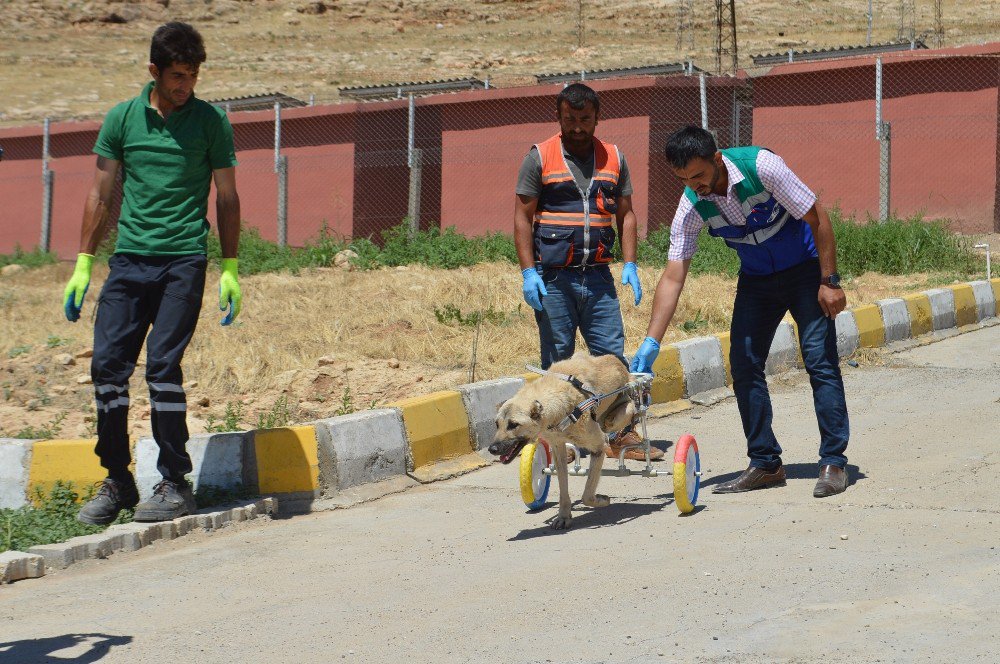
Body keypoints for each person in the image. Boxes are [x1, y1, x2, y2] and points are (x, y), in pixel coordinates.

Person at [64, 22, 242, 524]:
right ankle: (118, 479)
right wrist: (83, 262)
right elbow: (100, 193)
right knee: (107, 369)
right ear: (154, 72)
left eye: (193, 75)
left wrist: (229, 266)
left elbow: (226, 197)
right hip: (129, 262)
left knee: (162, 369)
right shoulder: (122, 119)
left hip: (184, 261)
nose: (186, 85)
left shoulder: (211, 122)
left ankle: (173, 482)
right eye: (178, 76)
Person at [631, 126, 850, 497]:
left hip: (803, 271)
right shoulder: (691, 204)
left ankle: (833, 462)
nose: (694, 185)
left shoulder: (762, 167)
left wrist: (829, 280)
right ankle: (765, 462)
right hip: (757, 281)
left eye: (699, 175)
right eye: (683, 179)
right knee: (744, 364)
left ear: (717, 160)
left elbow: (818, 218)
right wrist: (651, 342)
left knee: (819, 361)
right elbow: (673, 276)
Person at [514, 83, 660, 460]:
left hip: (597, 278)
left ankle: (620, 435)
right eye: (570, 119)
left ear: (597, 117)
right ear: (559, 117)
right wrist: (529, 272)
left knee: (612, 361)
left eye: (584, 119)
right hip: (553, 280)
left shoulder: (613, 156)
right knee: (558, 363)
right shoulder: (539, 157)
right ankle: (557, 443)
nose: (578, 126)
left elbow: (625, 214)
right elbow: (522, 217)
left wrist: (630, 262)